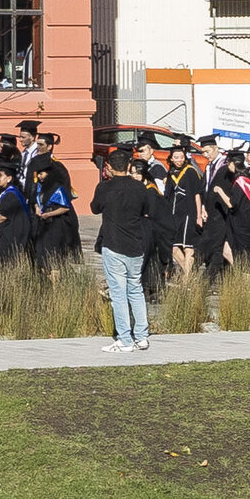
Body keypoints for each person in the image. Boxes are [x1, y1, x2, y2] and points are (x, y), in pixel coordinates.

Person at [89, 147, 163, 351]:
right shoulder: (139, 187)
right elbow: (147, 210)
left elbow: (94, 208)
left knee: (119, 294)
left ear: (110, 167)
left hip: (113, 244)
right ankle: (141, 336)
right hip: (136, 244)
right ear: (129, 166)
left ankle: (125, 339)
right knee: (135, 290)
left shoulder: (104, 187)